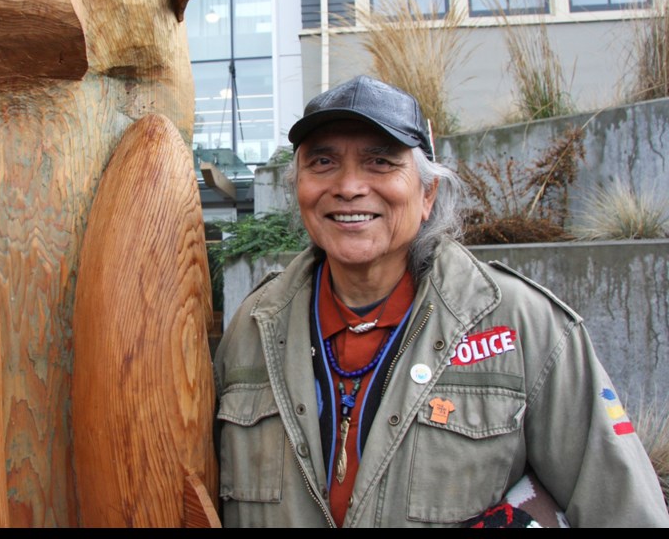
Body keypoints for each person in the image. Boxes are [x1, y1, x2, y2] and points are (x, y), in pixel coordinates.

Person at [212, 75, 669, 528]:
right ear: (299, 188)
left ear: (427, 194)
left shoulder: (522, 327)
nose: (349, 186)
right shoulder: (252, 329)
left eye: (380, 162)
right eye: (323, 162)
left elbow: (626, 511)